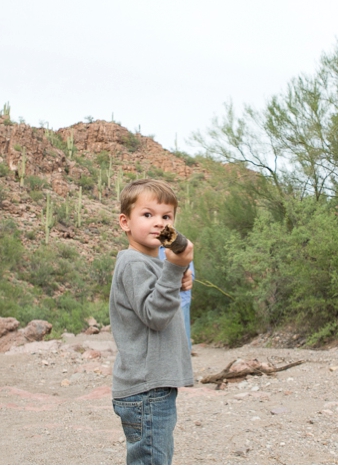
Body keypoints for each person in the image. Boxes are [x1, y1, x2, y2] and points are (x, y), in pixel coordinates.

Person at [110, 179, 196, 465]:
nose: (158, 222)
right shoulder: (134, 263)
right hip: (147, 389)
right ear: (125, 222)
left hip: (153, 387)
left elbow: (159, 300)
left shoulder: (151, 264)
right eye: (147, 215)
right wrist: (174, 268)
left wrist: (176, 276)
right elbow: (155, 316)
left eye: (166, 216)